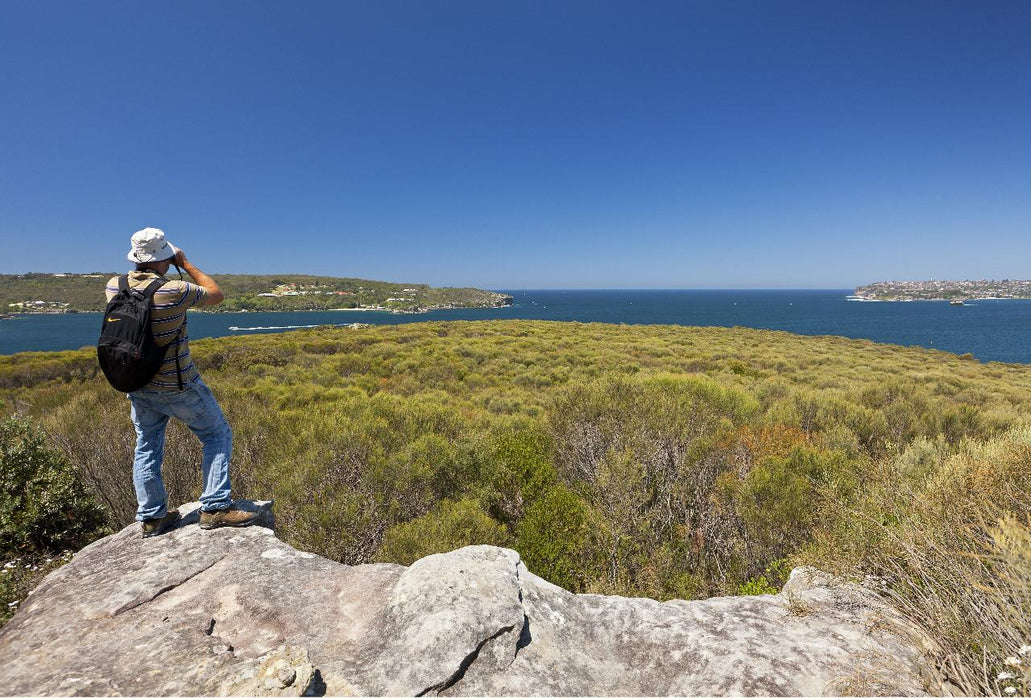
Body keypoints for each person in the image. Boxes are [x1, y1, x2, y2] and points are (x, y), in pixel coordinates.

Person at [107, 227, 257, 538]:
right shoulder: (174, 289)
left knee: (147, 445)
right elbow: (215, 294)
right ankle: (215, 507)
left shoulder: (114, 286)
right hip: (178, 385)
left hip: (137, 384)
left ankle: (152, 516)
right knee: (217, 434)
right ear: (164, 256)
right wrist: (185, 264)